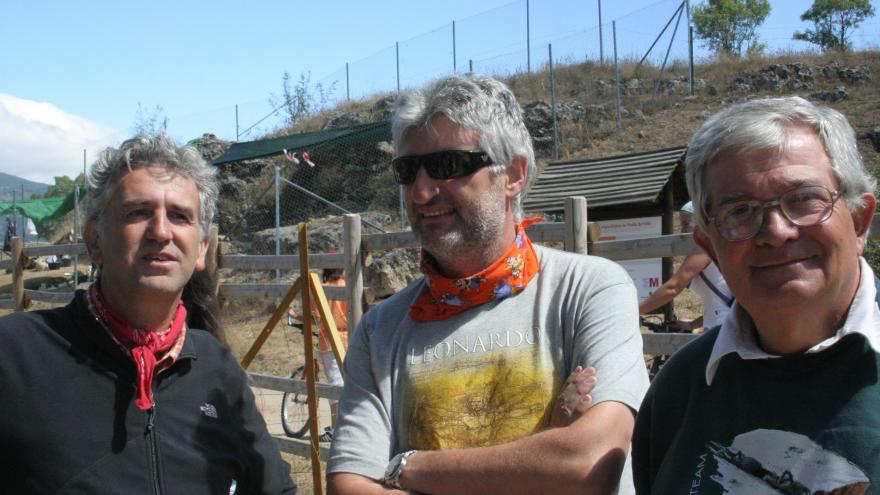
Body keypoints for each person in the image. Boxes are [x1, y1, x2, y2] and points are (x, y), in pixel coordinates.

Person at [327, 74, 649, 495]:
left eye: (448, 166)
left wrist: (406, 467)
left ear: (513, 174)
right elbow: (349, 488)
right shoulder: (380, 329)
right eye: (408, 171)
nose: (422, 191)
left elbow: (585, 464)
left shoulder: (588, 290)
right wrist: (539, 459)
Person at [0, 134, 296, 494]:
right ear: (95, 240)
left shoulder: (215, 368)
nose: (160, 231)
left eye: (180, 216)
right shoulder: (16, 355)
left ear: (202, 249)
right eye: (138, 212)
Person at [632, 96, 880, 493]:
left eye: (803, 199)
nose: (776, 231)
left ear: (859, 222)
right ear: (710, 246)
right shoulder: (679, 389)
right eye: (740, 211)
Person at [638, 201, 733, 333]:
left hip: (722, 330)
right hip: (721, 326)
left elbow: (673, 288)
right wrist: (693, 324)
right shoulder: (714, 249)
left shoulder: (702, 250)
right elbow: (720, 305)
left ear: (700, 223)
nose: (682, 231)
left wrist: (634, 311)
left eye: (686, 224)